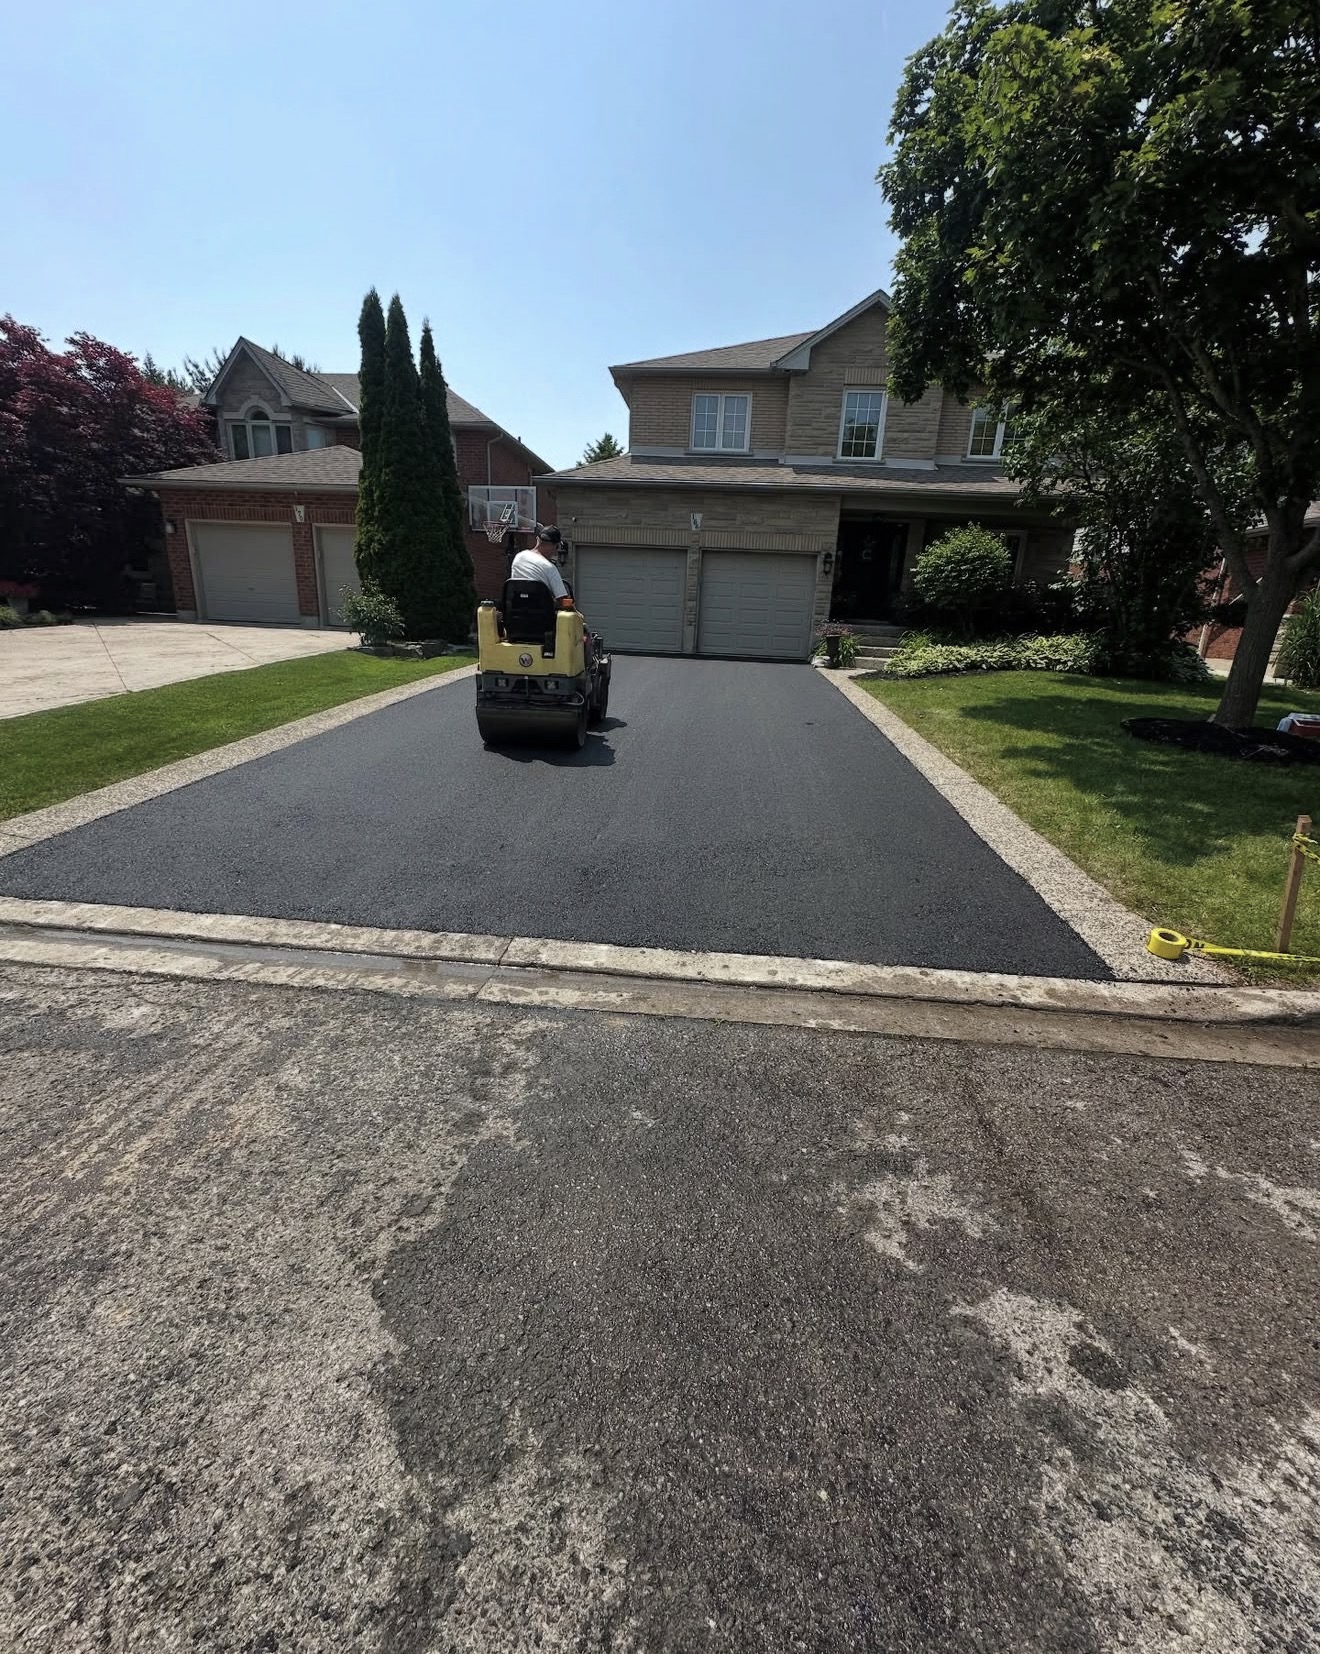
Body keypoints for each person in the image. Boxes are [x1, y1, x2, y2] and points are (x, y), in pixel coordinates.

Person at [510, 525, 568, 601]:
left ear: (537, 539)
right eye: (556, 547)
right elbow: (563, 600)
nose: (555, 553)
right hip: (541, 611)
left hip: (517, 610)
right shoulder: (549, 567)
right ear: (553, 545)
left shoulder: (518, 557)